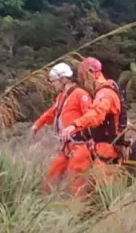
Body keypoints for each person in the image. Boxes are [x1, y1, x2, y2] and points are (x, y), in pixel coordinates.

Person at [57, 57, 126, 196]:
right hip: (101, 145)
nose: (81, 82)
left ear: (92, 73)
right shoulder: (105, 91)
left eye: (83, 77)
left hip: (108, 147)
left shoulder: (104, 94)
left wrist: (74, 125)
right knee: (80, 168)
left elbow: (96, 114)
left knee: (107, 192)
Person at [31, 62, 93, 196]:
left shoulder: (80, 95)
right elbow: (53, 112)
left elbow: (90, 117)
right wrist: (38, 123)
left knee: (76, 182)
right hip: (66, 147)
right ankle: (44, 204)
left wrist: (75, 127)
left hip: (80, 145)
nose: (53, 84)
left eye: (54, 81)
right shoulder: (62, 97)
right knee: (52, 176)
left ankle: (80, 209)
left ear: (64, 79)